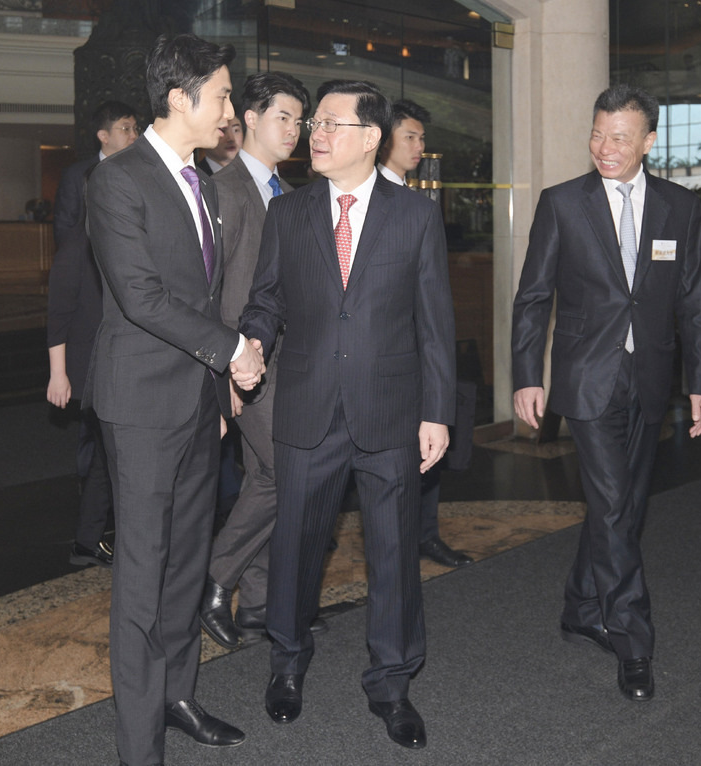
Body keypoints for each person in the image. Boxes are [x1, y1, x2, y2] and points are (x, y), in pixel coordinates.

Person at [241, 79, 456, 749]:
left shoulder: (414, 217)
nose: (317, 136)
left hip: (390, 411)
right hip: (306, 407)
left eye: (332, 124)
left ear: (370, 138)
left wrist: (438, 412)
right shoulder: (290, 213)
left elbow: (434, 325)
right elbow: (266, 300)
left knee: (392, 552)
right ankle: (287, 662)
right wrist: (249, 340)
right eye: (314, 126)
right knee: (297, 543)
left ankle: (391, 683)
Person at [83, 33, 265, 765]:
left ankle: (179, 695)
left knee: (188, 563)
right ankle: (139, 746)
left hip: (198, 404)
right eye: (222, 95)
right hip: (141, 409)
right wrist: (232, 352)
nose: (230, 108)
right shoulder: (118, 180)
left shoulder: (208, 182)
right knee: (142, 574)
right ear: (180, 97)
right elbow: (141, 297)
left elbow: (212, 295)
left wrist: (220, 381)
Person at [511, 84, 701, 702]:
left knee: (621, 504)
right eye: (598, 133)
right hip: (586, 375)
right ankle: (633, 639)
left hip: (651, 376)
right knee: (610, 502)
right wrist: (528, 373)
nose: (605, 147)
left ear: (649, 142)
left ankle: (580, 604)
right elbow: (533, 297)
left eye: (620, 137)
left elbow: (695, 300)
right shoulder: (562, 203)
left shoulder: (680, 208)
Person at [198, 72, 326, 649]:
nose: (294, 131)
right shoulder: (221, 191)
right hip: (244, 362)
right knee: (284, 472)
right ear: (249, 117)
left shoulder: (289, 195)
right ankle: (214, 579)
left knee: (260, 475)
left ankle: (259, 603)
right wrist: (224, 369)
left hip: (286, 361)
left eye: (300, 121)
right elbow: (212, 291)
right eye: (283, 118)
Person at [377, 98, 473, 569]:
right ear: (384, 137)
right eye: (410, 136)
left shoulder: (418, 200)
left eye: (421, 137)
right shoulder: (369, 198)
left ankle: (424, 534)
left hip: (420, 352)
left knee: (428, 447)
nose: (420, 146)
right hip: (383, 359)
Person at [47, 101, 139, 568]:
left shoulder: (117, 243)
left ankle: (93, 540)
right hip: (93, 362)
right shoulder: (76, 246)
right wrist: (58, 375)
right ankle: (95, 540)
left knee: (110, 457)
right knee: (109, 456)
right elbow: (57, 313)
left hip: (116, 359)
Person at [53, 101, 139, 249]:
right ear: (104, 136)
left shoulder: (143, 173)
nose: (134, 136)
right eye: (126, 129)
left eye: (136, 129)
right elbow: (64, 228)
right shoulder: (76, 175)